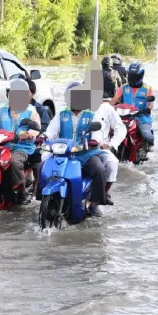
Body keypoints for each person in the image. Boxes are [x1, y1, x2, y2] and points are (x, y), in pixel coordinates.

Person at [44, 80, 111, 216]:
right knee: (42, 167)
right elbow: (51, 131)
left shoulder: (92, 114)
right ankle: (41, 197)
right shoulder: (61, 115)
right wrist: (43, 137)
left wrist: (94, 141)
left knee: (99, 170)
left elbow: (98, 133)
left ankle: (94, 204)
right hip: (63, 155)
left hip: (85, 155)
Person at [0, 80, 41, 206]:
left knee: (15, 162)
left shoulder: (31, 110)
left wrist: (27, 134)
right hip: (1, 146)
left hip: (22, 147)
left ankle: (21, 190)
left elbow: (36, 127)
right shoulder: (1, 108)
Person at [93, 93, 127, 205]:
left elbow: (121, 128)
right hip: (77, 148)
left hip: (99, 148)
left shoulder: (106, 108)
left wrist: (111, 144)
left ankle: (102, 195)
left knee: (112, 163)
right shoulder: (72, 110)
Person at [112, 63, 155, 147]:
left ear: (140, 76)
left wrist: (148, 108)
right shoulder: (123, 87)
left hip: (142, 116)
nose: (132, 79)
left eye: (134, 77)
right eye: (131, 76)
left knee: (148, 136)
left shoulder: (147, 88)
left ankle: (150, 147)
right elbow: (114, 100)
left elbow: (151, 102)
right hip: (125, 116)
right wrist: (106, 108)